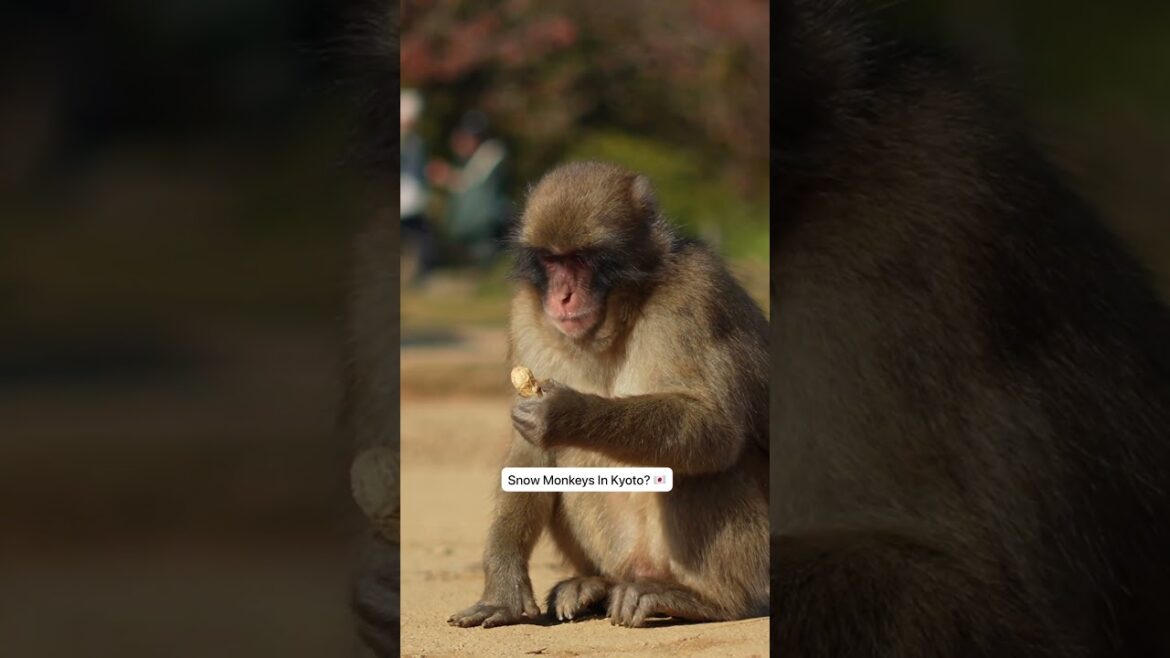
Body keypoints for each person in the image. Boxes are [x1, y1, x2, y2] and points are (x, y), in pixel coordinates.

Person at [426, 110, 511, 266]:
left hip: (491, 221)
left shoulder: (493, 151)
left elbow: (472, 181)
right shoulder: (466, 159)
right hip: (475, 228)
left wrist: (447, 176)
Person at [399, 89, 434, 283]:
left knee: (420, 239)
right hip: (403, 202)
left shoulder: (416, 141)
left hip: (412, 201)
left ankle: (419, 275)